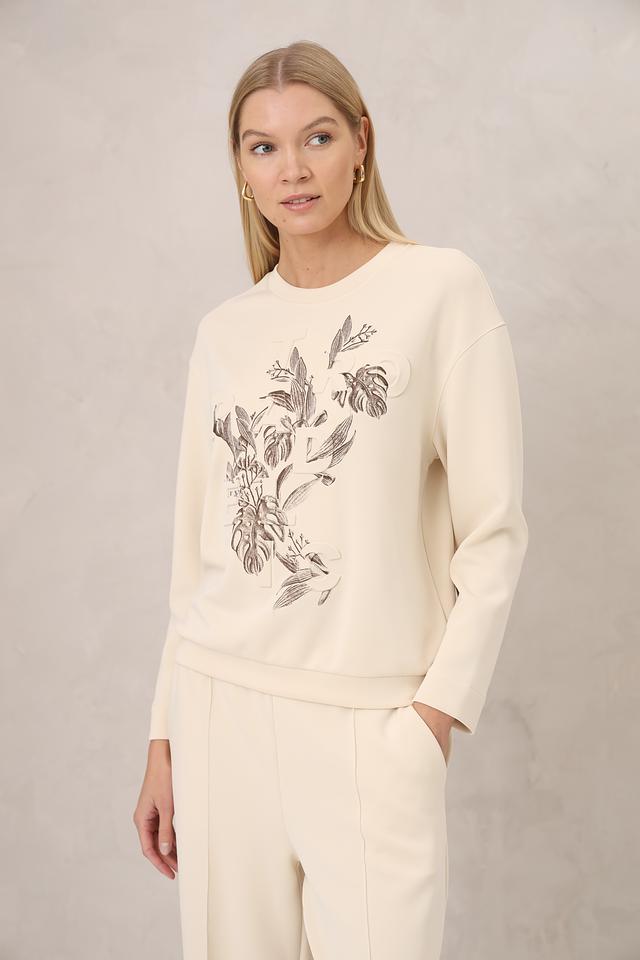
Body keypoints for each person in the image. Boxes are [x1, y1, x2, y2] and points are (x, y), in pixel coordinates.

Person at [133, 39, 529, 960]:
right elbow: (196, 559)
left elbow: (496, 532)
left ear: (361, 143)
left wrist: (431, 721)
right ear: (240, 170)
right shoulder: (225, 334)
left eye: (316, 137)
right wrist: (163, 737)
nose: (293, 169)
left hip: (371, 728)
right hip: (218, 716)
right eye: (263, 146)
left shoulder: (441, 291)